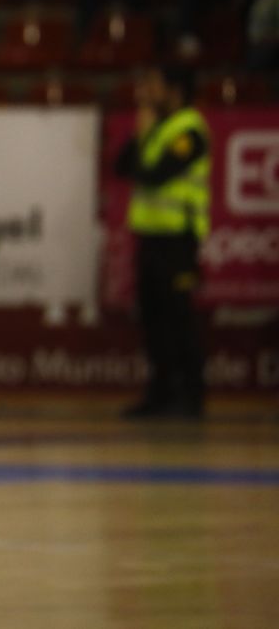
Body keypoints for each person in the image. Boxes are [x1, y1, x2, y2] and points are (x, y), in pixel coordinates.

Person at [114, 65, 210, 420]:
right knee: (152, 317)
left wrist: (143, 139)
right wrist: (140, 135)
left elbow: (155, 176)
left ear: (175, 90)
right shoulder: (154, 127)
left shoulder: (190, 131)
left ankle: (190, 394)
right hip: (151, 237)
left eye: (153, 85)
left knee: (178, 318)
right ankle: (160, 392)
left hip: (178, 240)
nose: (145, 92)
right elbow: (121, 167)